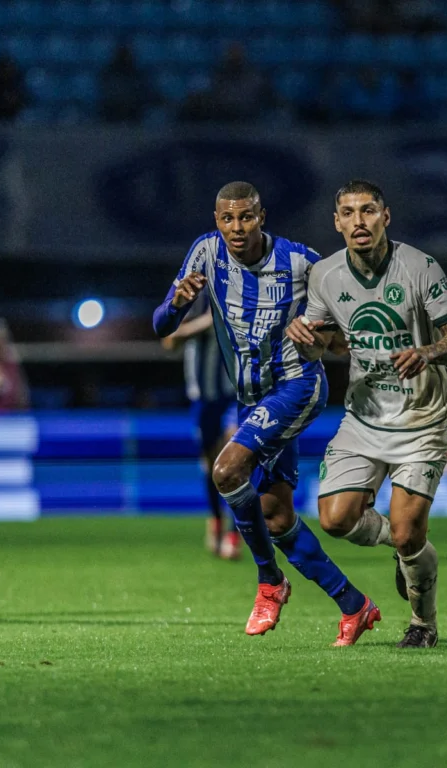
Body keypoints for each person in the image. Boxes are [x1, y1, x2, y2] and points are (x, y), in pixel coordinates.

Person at [153, 181, 380, 646]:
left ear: (262, 216)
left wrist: (321, 339)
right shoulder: (205, 253)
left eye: (247, 217)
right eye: (228, 219)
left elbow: (348, 335)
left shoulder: (302, 262)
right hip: (251, 398)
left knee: (227, 469)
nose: (237, 228)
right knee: (276, 519)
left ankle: (268, 583)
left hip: (297, 386)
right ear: (217, 221)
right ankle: (355, 605)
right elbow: (160, 325)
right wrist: (175, 303)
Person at [285, 179, 447, 648]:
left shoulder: (420, 267)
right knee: (334, 520)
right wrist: (308, 346)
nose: (358, 221)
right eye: (348, 213)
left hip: (423, 416)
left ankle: (422, 624)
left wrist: (427, 352)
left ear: (385, 217)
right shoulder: (325, 275)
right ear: (336, 222)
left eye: (368, 211)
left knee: (410, 531)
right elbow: (332, 344)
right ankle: (406, 551)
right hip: (365, 415)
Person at [160, 294, 240, 560]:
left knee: (236, 462)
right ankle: (216, 519)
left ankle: (234, 533)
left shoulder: (242, 290)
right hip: (203, 399)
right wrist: (206, 323)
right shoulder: (191, 298)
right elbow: (169, 341)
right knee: (211, 466)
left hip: (235, 395)